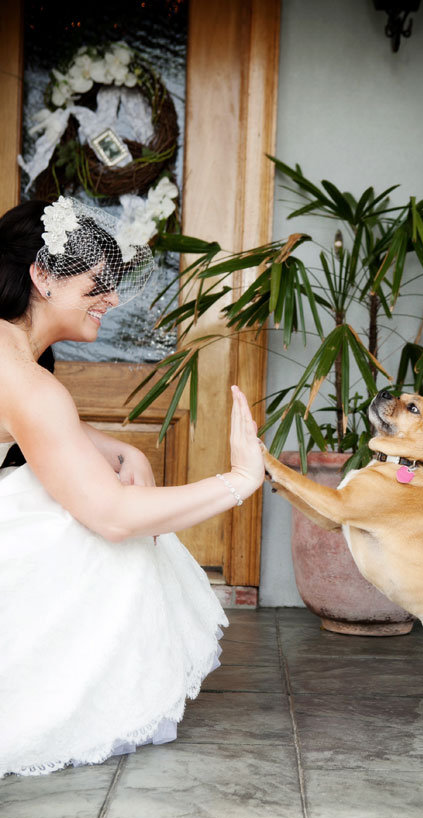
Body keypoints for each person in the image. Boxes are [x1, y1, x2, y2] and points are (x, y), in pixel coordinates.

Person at [0, 196, 265, 778]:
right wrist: (240, 480)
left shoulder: (11, 354)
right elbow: (114, 514)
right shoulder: (24, 378)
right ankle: (80, 696)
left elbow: (47, 427)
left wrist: (121, 446)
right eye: (98, 285)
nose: (113, 301)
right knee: (86, 521)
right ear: (41, 276)